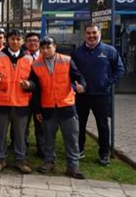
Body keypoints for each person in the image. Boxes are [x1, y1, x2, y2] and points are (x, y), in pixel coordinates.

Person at [32, 37, 86, 179]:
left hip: (66, 106)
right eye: (42, 48)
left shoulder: (66, 60)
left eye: (48, 47)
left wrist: (81, 86)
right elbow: (36, 90)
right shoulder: (36, 65)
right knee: (48, 138)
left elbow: (79, 77)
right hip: (48, 107)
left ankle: (73, 166)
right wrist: (37, 110)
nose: (45, 50)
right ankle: (49, 162)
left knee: (71, 138)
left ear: (55, 47)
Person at [71, 23, 125, 166]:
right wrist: (75, 86)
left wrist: (107, 82)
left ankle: (104, 154)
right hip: (81, 95)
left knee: (102, 125)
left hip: (101, 95)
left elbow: (120, 70)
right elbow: (71, 72)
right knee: (79, 124)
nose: (91, 36)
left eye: (94, 33)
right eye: (88, 33)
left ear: (99, 33)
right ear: (85, 34)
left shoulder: (109, 50)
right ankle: (79, 150)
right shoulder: (77, 52)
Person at [0, 29, 34, 174]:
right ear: (7, 40)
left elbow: (35, 82)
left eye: (18, 39)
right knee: (0, 133)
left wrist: (30, 86)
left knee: (20, 134)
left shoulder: (29, 59)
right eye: (12, 39)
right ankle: (0, 159)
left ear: (22, 41)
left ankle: (20, 160)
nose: (15, 42)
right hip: (2, 103)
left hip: (21, 104)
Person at [24, 32, 45, 158]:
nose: (32, 43)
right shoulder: (21, 56)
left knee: (40, 124)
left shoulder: (44, 57)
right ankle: (23, 147)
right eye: (30, 40)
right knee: (23, 124)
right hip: (24, 96)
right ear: (26, 43)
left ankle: (41, 148)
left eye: (35, 41)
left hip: (41, 96)